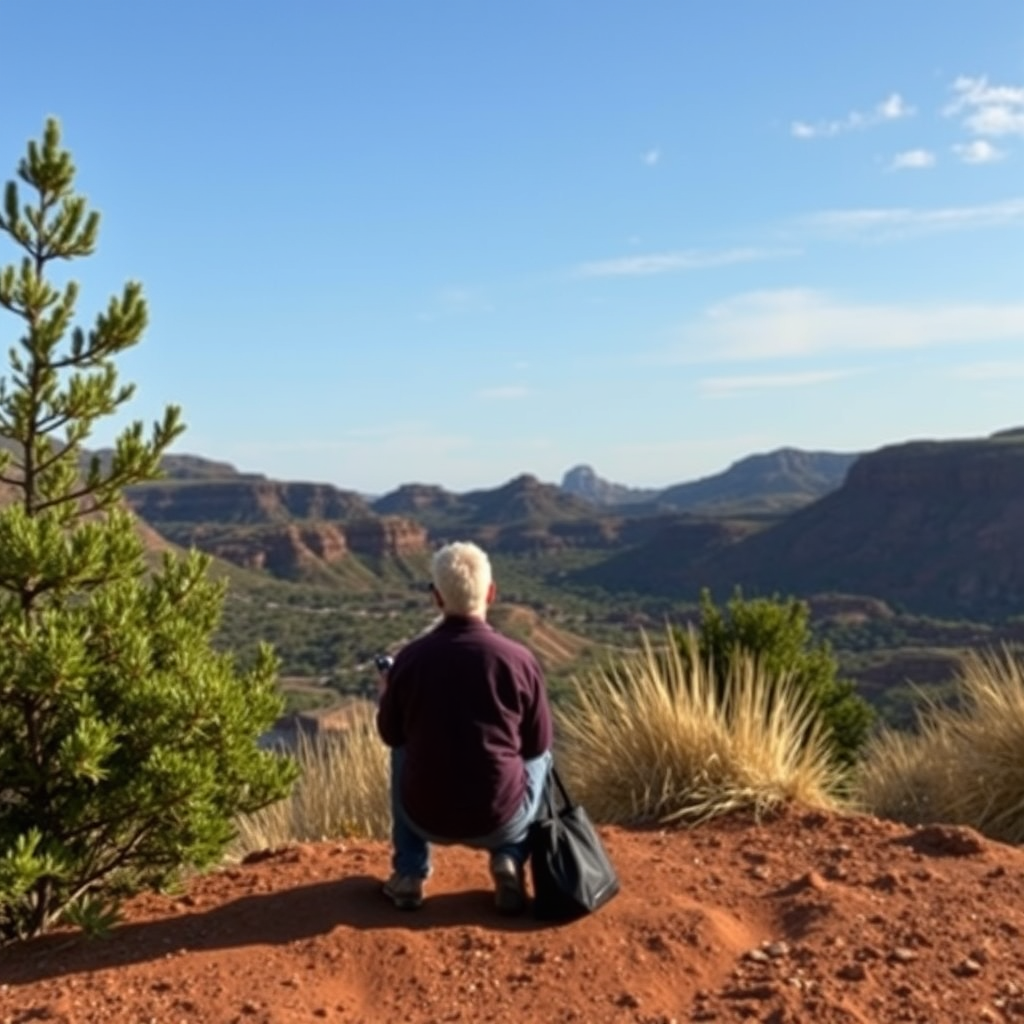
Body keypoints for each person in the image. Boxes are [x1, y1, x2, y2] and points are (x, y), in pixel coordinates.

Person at [375, 540, 553, 914]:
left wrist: (388, 695)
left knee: (402, 749)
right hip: (502, 819)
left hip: (425, 817)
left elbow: (390, 734)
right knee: (544, 756)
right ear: (491, 592)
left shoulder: (410, 659)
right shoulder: (519, 660)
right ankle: (509, 857)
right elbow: (536, 746)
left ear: (436, 597)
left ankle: (409, 873)